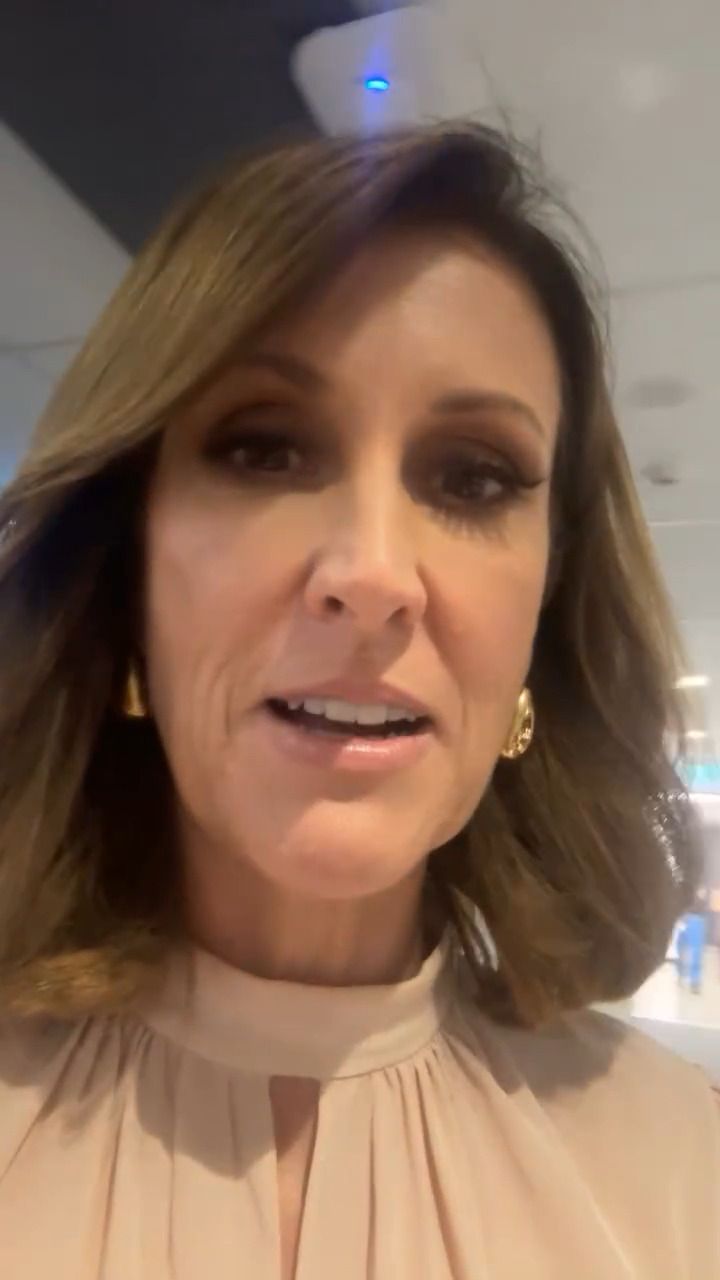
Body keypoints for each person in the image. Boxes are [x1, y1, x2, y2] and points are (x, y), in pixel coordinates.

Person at [0, 124, 717, 1279]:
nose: (374, 572)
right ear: (124, 561)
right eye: (265, 450)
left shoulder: (685, 1173)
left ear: (546, 606)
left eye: (473, 475)